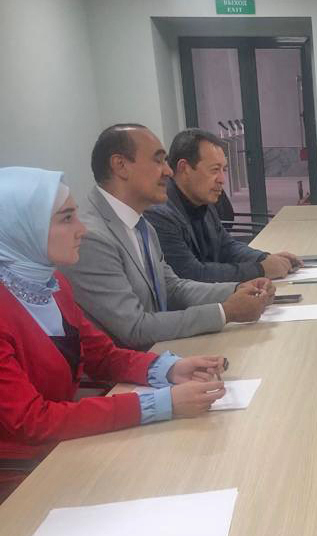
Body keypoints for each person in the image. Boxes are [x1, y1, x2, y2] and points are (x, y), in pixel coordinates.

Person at [0, 167, 228, 503]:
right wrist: (160, 403)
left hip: (62, 449)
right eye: (66, 219)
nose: (81, 229)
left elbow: (101, 355)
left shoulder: (53, 285)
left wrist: (169, 369)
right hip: (21, 477)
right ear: (21, 228)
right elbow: (33, 421)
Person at [62, 124, 274, 350]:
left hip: (165, 352)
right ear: (120, 166)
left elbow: (172, 288)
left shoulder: (141, 224)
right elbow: (134, 328)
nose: (168, 171)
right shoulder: (90, 237)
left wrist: (238, 289)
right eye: (158, 161)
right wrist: (225, 312)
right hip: (133, 365)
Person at [146, 129, 301, 282]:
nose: (222, 179)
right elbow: (191, 274)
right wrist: (260, 269)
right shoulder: (159, 214)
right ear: (184, 168)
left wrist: (264, 258)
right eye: (215, 170)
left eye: (223, 169)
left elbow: (226, 246)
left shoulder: (202, 200)